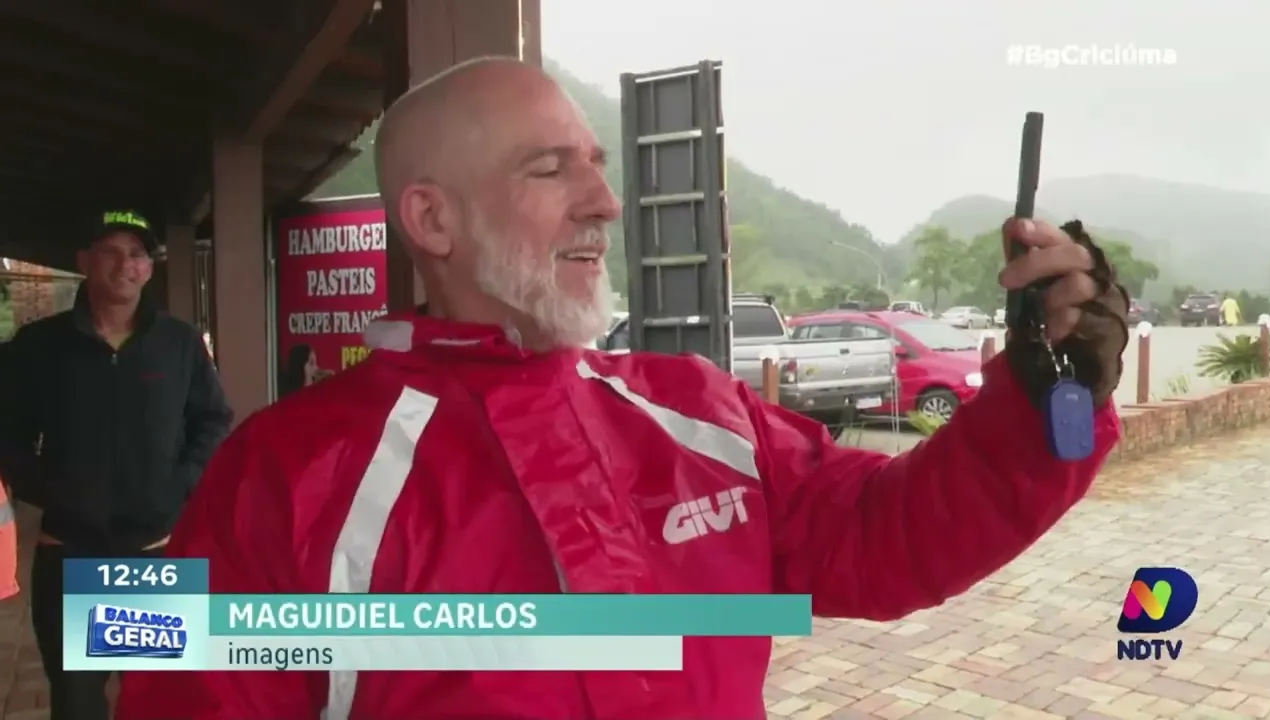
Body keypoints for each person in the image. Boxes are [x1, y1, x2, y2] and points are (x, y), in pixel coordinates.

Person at [117, 59, 1129, 720]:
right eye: (550, 170)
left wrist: (1044, 402)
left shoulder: (697, 408)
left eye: (597, 169)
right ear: (431, 219)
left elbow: (884, 533)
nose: (604, 202)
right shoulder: (281, 476)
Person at [0, 210, 233, 720]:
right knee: (78, 706)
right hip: (71, 558)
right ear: (84, 261)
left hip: (154, 556)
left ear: (149, 269)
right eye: (112, 250)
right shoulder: (40, 348)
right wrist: (55, 490)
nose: (126, 264)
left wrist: (180, 485)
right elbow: (7, 436)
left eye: (138, 254)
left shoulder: (179, 344)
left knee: (159, 703)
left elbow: (213, 421)